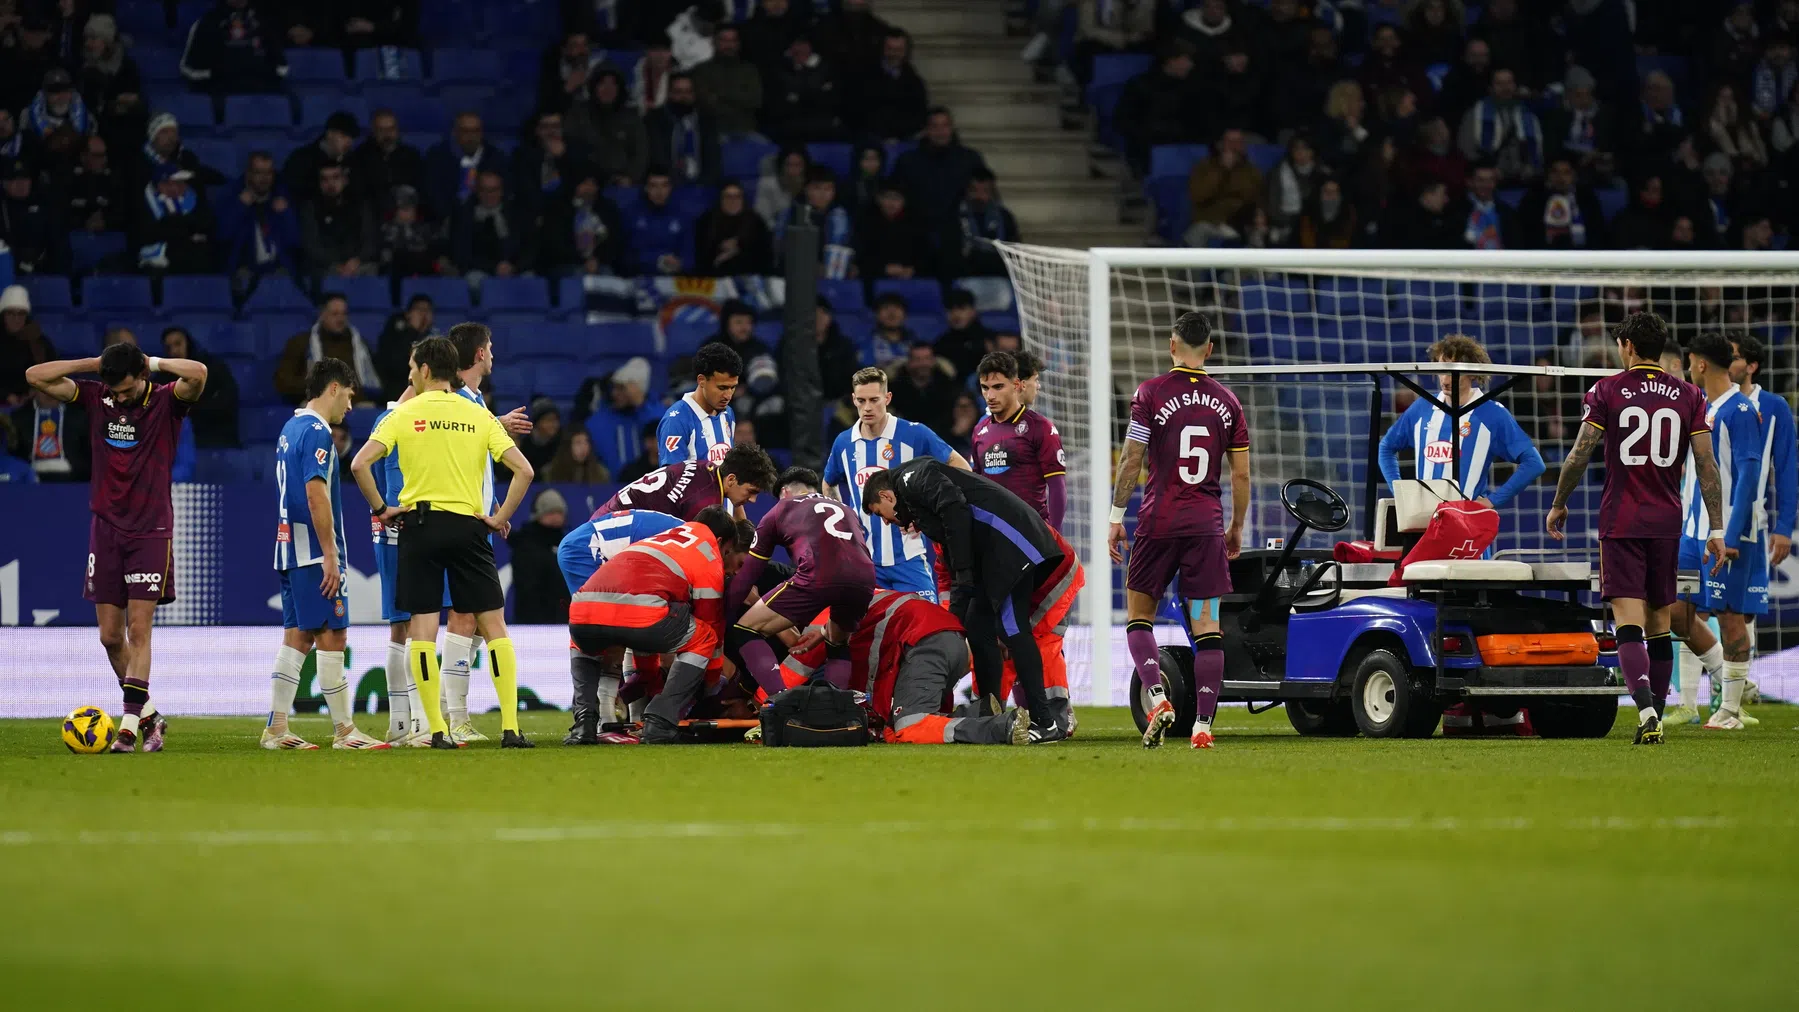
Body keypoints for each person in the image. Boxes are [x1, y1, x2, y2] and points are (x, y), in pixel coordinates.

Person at [1545, 312, 1727, 747]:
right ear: (1660, 347)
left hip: (1622, 518)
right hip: (1667, 520)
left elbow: (1579, 454)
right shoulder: (1689, 394)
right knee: (1660, 622)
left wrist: (1558, 503)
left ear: (1627, 347)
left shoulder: (1606, 390)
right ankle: (1658, 713)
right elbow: (1706, 464)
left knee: (1627, 619)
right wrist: (1716, 528)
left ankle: (1646, 711)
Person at [350, 335, 537, 749]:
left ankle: (435, 730)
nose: (410, 375)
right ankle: (511, 728)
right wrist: (498, 517)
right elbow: (524, 471)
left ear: (426, 371)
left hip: (419, 526)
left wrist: (383, 508)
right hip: (470, 528)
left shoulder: (404, 413)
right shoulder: (479, 415)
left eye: (413, 368)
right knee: (494, 627)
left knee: (421, 631)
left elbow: (360, 463)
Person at [25, 341, 209, 752]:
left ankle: (128, 726)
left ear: (143, 376)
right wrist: (94, 364)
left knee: (138, 629)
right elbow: (34, 377)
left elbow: (197, 373)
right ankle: (152, 716)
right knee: (110, 637)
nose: (120, 397)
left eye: (126, 389)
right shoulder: (97, 395)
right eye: (115, 389)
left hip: (150, 530)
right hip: (105, 529)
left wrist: (154, 362)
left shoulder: (166, 401)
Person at [1107, 311, 1248, 750]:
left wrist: (1115, 518)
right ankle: (1203, 726)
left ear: (1172, 346)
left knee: (1139, 616)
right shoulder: (1228, 401)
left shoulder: (1150, 393)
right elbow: (1241, 477)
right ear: (1209, 349)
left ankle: (1157, 697)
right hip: (1206, 527)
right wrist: (1236, 527)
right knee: (1207, 626)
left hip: (1158, 522)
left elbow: (1131, 460)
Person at [861, 457, 1069, 741]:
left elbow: (954, 507)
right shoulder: (920, 505)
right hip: (997, 549)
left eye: (881, 513)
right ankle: (989, 711)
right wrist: (953, 620)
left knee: (1012, 627)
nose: (886, 522)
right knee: (976, 624)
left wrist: (965, 574)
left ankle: (1046, 722)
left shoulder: (910, 477)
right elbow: (953, 543)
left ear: (886, 495)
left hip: (1010, 543)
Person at [263, 358, 388, 749]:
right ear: (333, 388)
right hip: (314, 554)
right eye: (349, 396)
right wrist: (330, 554)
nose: (350, 407)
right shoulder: (318, 432)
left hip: (288, 549)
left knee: (298, 638)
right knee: (333, 636)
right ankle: (345, 731)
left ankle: (277, 728)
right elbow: (316, 495)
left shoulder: (290, 427)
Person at [569, 507, 753, 744]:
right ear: (719, 542)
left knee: (583, 641)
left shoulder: (660, 538)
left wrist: (650, 678)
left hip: (583, 608)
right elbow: (711, 624)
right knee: (704, 636)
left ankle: (584, 724)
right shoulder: (708, 552)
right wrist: (712, 682)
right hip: (642, 614)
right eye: (727, 552)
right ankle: (660, 721)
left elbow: (640, 632)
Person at [780, 589, 1030, 744]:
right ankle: (979, 713)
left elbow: (791, 674)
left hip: (925, 643)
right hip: (947, 639)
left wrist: (764, 707)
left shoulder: (825, 615)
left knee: (907, 728)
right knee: (913, 719)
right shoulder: (857, 594)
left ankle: (999, 727)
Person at [1671, 333, 1766, 733]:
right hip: (1694, 531)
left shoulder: (1741, 409)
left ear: (1701, 363)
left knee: (1730, 618)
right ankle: (1732, 679)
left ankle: (1728, 709)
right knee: (1675, 611)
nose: (1690, 368)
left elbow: (1748, 474)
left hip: (1727, 532)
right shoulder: (1703, 407)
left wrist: (1731, 531)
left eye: (1691, 362)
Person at [726, 466, 877, 694]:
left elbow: (747, 576)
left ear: (785, 492)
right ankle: (834, 709)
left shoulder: (781, 508)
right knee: (837, 643)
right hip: (865, 579)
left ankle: (778, 702)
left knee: (746, 629)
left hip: (819, 573)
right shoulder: (846, 509)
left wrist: (720, 613)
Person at [823, 367, 970, 600]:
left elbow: (960, 467)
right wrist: (845, 520)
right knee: (869, 632)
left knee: (928, 629)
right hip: (864, 560)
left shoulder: (915, 434)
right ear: (853, 400)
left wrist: (933, 510)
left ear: (887, 398)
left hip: (908, 556)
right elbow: (828, 483)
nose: (867, 407)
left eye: (874, 400)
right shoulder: (843, 442)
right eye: (861, 401)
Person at [554, 506, 685, 742]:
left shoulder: (684, 538)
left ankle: (615, 719)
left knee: (622, 627)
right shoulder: (686, 551)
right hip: (585, 551)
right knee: (598, 629)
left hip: (595, 549)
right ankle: (597, 720)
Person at [1378, 334, 1545, 509]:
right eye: (1442, 368)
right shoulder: (1422, 407)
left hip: (1465, 522)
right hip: (1423, 519)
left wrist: (1492, 501)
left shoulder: (1493, 414)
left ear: (1472, 373)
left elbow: (1534, 464)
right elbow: (1386, 447)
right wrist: (1399, 492)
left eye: (1453, 370)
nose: (1445, 379)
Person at [972, 351, 1067, 530]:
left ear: (1016, 385)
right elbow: (975, 485)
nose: (990, 396)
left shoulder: (1041, 428)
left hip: (1032, 534)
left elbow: (1057, 487)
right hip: (993, 535)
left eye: (998, 387)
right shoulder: (979, 430)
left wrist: (1055, 535)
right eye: (985, 388)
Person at [599, 442, 776, 519]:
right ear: (731, 480)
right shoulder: (704, 503)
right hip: (608, 533)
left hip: (606, 518)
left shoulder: (706, 468)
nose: (752, 500)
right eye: (751, 491)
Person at [274, 295, 382, 404]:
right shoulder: (301, 343)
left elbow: (372, 382)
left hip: (354, 403)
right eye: (335, 314)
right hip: (316, 401)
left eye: (344, 314)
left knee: (369, 410)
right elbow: (284, 383)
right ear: (322, 314)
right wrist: (319, 385)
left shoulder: (359, 344)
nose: (340, 319)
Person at [218, 150, 301, 291]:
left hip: (278, 269)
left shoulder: (282, 199)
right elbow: (223, 235)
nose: (264, 178)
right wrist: (240, 207)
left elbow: (295, 241)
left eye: (268, 173)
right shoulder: (231, 197)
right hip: (245, 269)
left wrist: (286, 215)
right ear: (248, 174)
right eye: (259, 172)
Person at [178, 0, 289, 98]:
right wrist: (220, 73)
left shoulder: (264, 21)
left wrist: (258, 73)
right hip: (219, 97)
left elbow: (282, 68)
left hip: (262, 97)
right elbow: (189, 69)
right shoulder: (206, 23)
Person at [658, 342, 740, 465]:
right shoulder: (676, 421)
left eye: (732, 387)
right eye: (722, 388)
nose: (728, 396)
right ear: (701, 380)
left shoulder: (728, 413)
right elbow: (672, 479)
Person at [158, 327, 238, 447]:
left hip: (218, 436)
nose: (174, 351)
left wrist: (192, 409)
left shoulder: (212, 367)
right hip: (180, 442)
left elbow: (227, 401)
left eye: (178, 344)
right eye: (169, 347)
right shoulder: (163, 378)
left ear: (188, 344)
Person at [300, 162, 378, 283]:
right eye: (324, 179)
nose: (330, 184)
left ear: (345, 180)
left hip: (358, 265)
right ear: (319, 184)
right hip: (327, 267)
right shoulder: (310, 207)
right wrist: (336, 265)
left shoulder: (360, 204)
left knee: (372, 269)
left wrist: (357, 260)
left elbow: (370, 239)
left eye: (335, 177)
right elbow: (311, 246)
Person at [584, 356, 663, 475]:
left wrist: (640, 405)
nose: (615, 393)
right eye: (614, 388)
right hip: (610, 489)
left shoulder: (654, 412)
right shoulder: (597, 423)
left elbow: (662, 435)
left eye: (622, 388)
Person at [133, 163, 217, 275]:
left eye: (182, 182)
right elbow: (150, 233)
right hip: (156, 262)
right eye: (177, 182)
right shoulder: (144, 205)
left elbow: (206, 223)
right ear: (162, 185)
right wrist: (186, 231)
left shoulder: (192, 198)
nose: (182, 186)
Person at [425, 112, 509, 220]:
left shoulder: (496, 158)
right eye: (465, 131)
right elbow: (433, 193)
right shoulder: (438, 157)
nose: (471, 136)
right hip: (446, 220)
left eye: (475, 131)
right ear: (455, 133)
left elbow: (505, 193)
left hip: (487, 221)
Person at [509, 488, 572, 624]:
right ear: (539, 514)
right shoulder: (526, 543)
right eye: (550, 512)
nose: (555, 517)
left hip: (563, 619)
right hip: (532, 620)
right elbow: (526, 586)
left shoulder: (567, 542)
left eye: (559, 512)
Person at [693, 180, 773, 276]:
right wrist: (720, 250)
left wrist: (739, 248)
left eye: (737, 197)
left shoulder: (756, 221)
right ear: (721, 199)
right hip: (714, 278)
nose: (733, 201)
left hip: (749, 276)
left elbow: (765, 256)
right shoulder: (707, 221)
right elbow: (700, 255)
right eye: (728, 197)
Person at [887, 343, 958, 434]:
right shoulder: (894, 390)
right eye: (917, 359)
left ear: (934, 361)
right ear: (909, 363)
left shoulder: (948, 387)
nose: (923, 364)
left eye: (927, 359)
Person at [374, 294, 434, 396]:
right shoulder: (393, 335)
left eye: (427, 310)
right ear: (408, 314)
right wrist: (413, 332)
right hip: (396, 392)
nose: (423, 314)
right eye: (419, 310)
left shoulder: (436, 340)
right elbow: (394, 367)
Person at [545, 428, 610, 483]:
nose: (584, 447)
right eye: (578, 443)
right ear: (567, 447)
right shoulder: (550, 472)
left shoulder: (601, 473)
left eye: (586, 442)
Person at [518, 396, 565, 472]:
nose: (554, 425)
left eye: (556, 420)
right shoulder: (525, 445)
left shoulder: (563, 442)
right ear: (537, 423)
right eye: (548, 420)